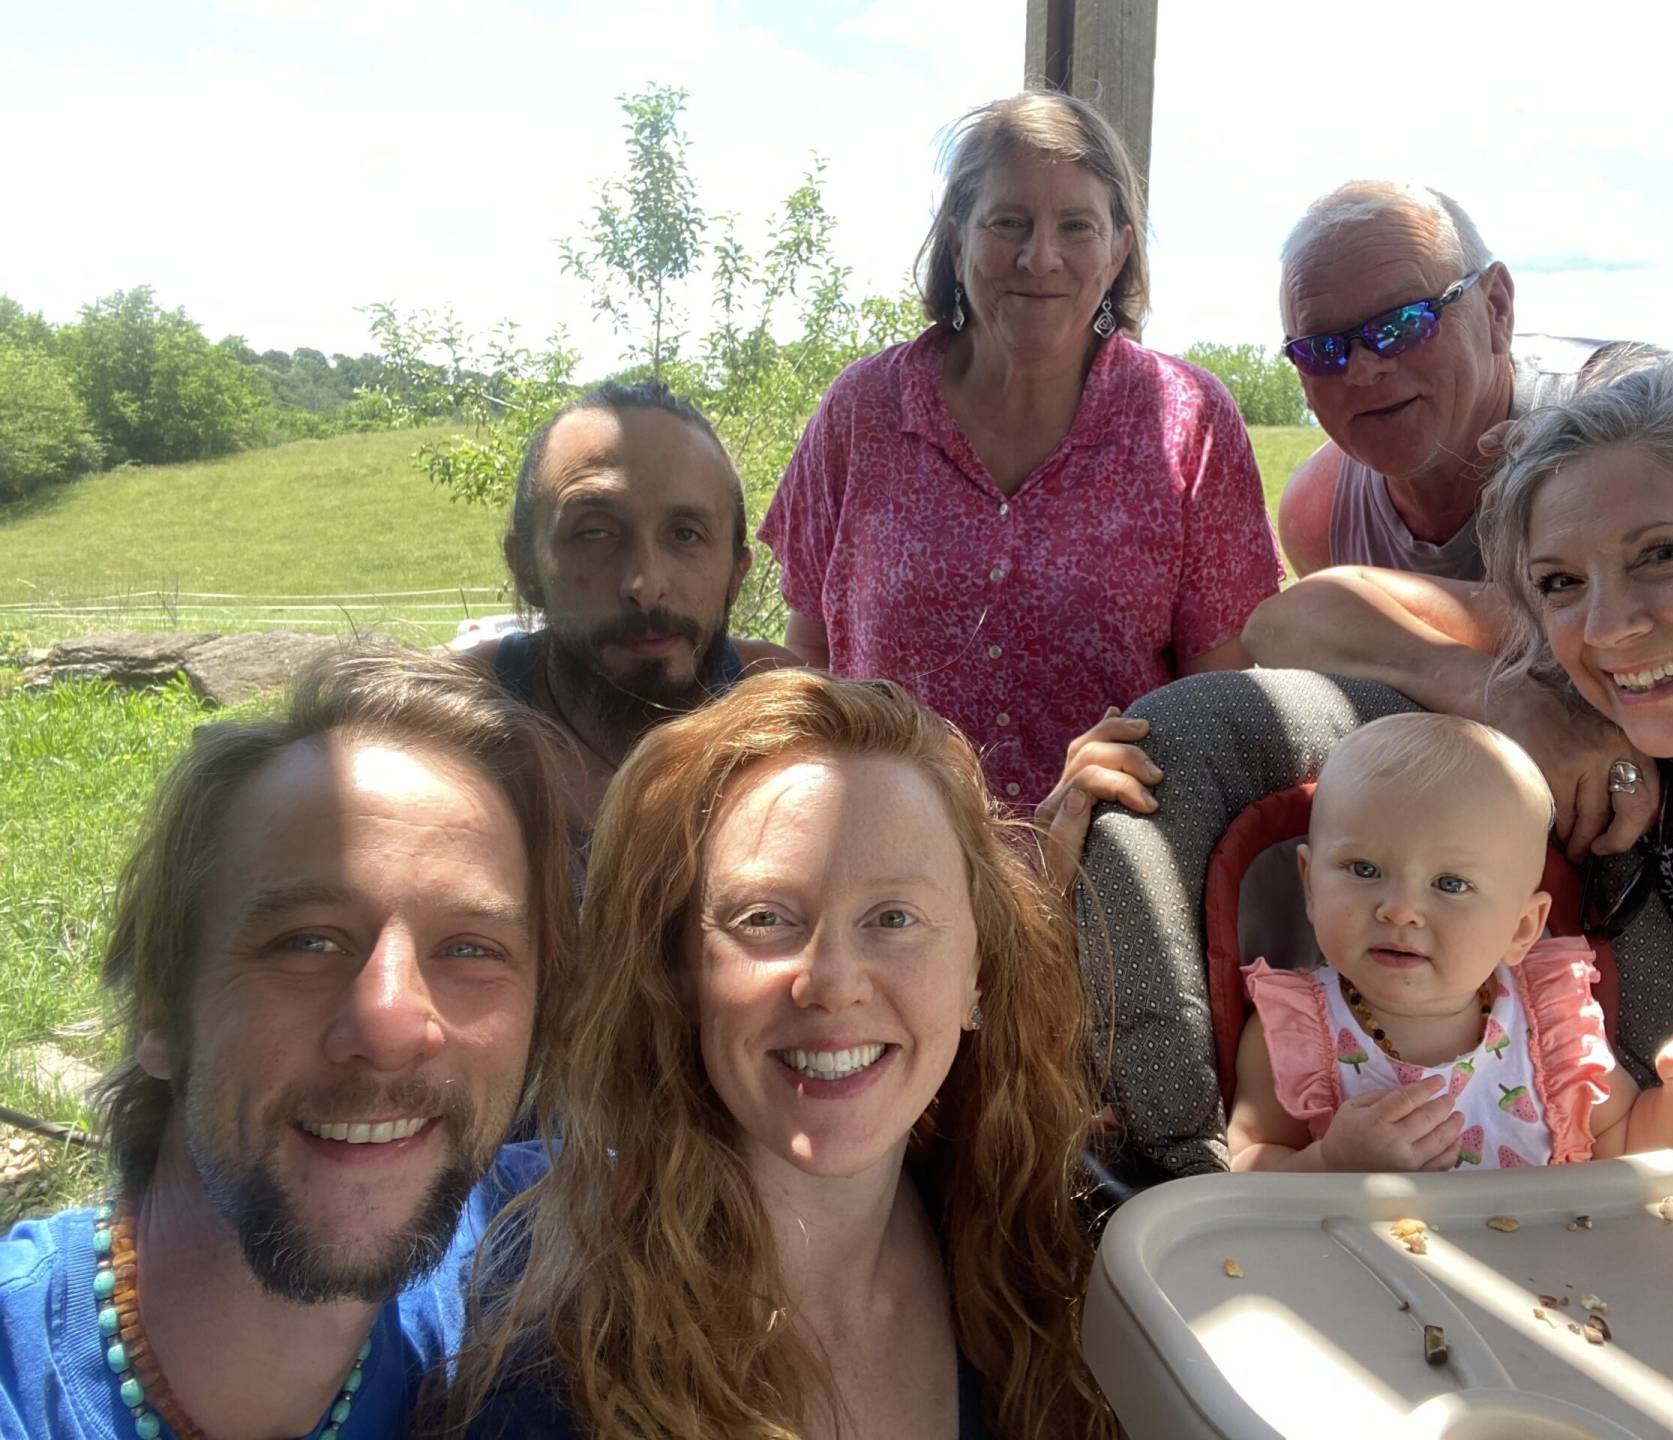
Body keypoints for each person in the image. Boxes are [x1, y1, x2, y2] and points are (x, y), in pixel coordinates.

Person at [1236, 348, 1673, 1126]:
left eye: (1666, 553)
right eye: (1560, 582)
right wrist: (1506, 698)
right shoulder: (1589, 685)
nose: (1606, 628)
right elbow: (1286, 622)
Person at [437, 669, 1117, 1439]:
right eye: (764, 918)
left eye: (894, 918)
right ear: (677, 973)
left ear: (979, 972)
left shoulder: (1051, 1263)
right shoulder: (534, 1315)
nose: (832, 984)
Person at [0, 649, 576, 1439]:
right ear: (159, 1010)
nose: (389, 1024)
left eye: (471, 949)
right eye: (306, 942)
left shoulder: (530, 1251)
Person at [759, 90, 1282, 808]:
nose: (1040, 258)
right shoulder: (865, 410)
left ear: (1120, 249)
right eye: (1009, 222)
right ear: (956, 239)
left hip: (1113, 856)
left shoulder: (1190, 420)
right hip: (889, 853)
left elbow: (1219, 697)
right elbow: (806, 662)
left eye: (1076, 226)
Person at [1226, 713, 1673, 1173]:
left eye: (1450, 884)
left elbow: (1625, 1146)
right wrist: (1330, 1164)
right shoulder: (1298, 1032)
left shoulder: (1550, 1026)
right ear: (1309, 885)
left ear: (1522, 928)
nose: (1398, 909)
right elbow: (1244, 1169)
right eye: (1363, 869)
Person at [471, 379, 798, 833]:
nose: (644, 586)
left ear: (736, 572)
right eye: (595, 533)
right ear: (526, 567)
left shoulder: (792, 719)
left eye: (686, 534)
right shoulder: (450, 725)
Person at [1262, 180, 1622, 581]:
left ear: (1496, 309)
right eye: (1323, 348)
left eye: (1403, 322)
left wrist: (1362, 602)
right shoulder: (1320, 514)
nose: (1364, 370)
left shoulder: (1630, 424)